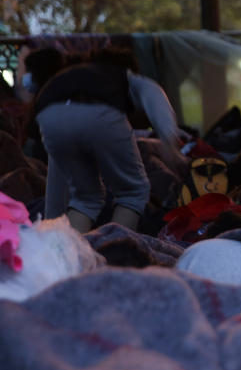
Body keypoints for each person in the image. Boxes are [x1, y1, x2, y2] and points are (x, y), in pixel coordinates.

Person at [29, 47, 181, 232]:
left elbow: (57, 178)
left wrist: (50, 221)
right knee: (133, 192)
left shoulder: (69, 76)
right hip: (99, 111)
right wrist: (169, 139)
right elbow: (154, 94)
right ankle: (113, 246)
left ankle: (63, 252)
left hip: (47, 115)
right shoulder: (124, 76)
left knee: (86, 198)